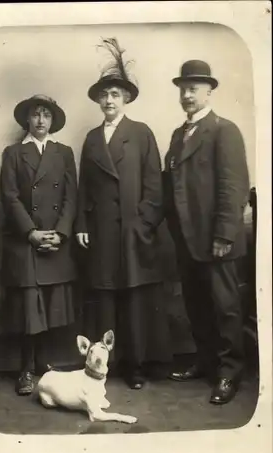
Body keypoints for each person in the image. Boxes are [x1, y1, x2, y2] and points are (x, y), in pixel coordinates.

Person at [75, 38, 170, 390]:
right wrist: (83, 224)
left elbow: (154, 186)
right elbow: (85, 186)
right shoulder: (91, 138)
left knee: (134, 300)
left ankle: (136, 366)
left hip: (133, 232)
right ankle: (103, 366)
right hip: (101, 232)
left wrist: (143, 222)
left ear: (126, 99)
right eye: (105, 95)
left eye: (115, 94)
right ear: (99, 101)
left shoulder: (141, 134)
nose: (109, 100)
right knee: (105, 299)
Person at [163, 60, 250, 404]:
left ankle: (229, 373)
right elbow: (172, 184)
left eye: (194, 88)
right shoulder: (177, 134)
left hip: (216, 240)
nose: (187, 95)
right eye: (183, 89)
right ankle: (205, 361)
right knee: (196, 305)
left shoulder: (224, 130)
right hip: (186, 238)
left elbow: (234, 185)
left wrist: (225, 236)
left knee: (225, 307)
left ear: (209, 91)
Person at [0, 94, 78, 395]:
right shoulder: (14, 153)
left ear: (53, 120)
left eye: (46, 114)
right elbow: (9, 197)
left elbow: (72, 196)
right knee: (30, 311)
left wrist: (61, 233)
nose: (41, 120)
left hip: (56, 240)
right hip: (26, 241)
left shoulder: (64, 152)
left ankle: (45, 366)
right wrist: (31, 232)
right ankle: (26, 369)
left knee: (51, 307)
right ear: (27, 120)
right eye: (36, 115)